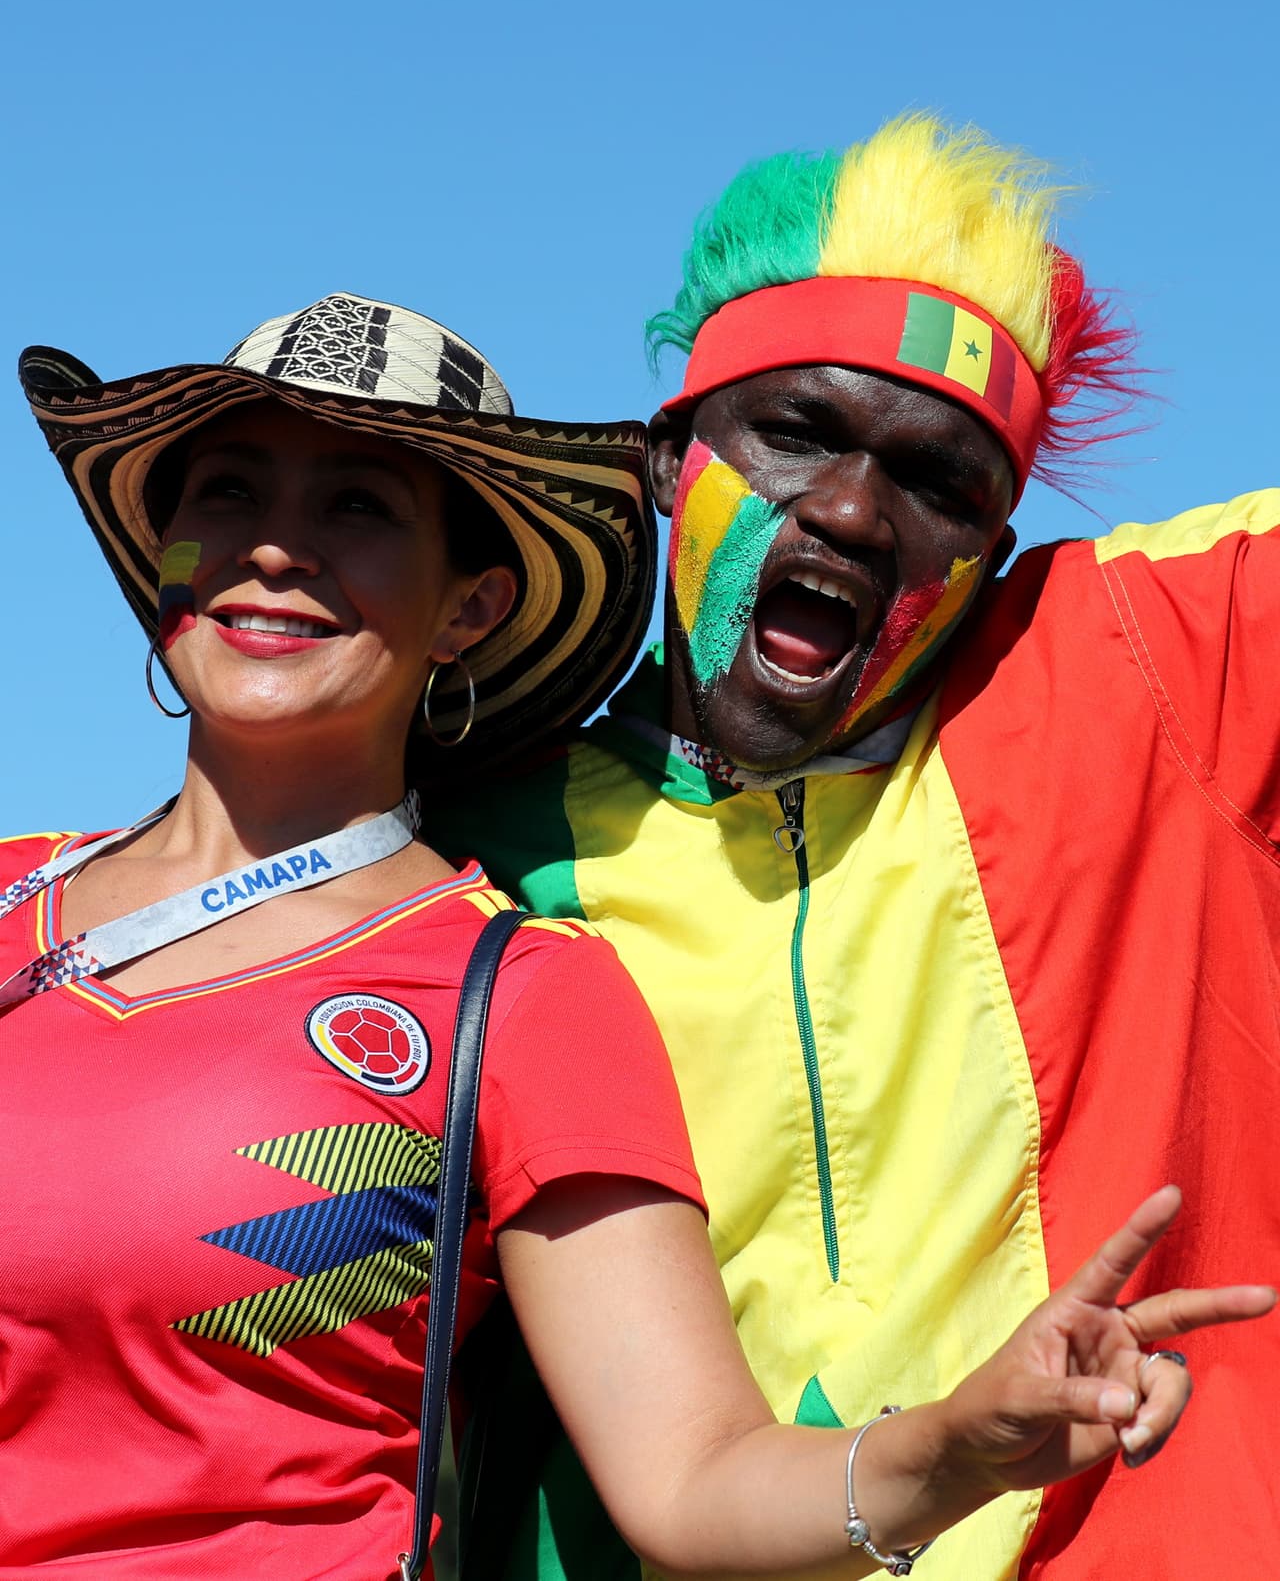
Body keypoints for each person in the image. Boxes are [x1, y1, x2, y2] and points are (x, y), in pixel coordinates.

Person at [9, 292, 1270, 1581]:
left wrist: (954, 1447)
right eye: (226, 492)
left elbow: (687, 1472)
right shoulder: (17, 894)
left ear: (472, 610)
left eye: (358, 508)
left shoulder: (512, 981)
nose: (274, 550)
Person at [438, 116, 1280, 1578]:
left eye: (940, 484)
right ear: (663, 460)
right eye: (800, 434)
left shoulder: (1139, 664)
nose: (850, 511)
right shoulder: (467, 839)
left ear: (992, 553)